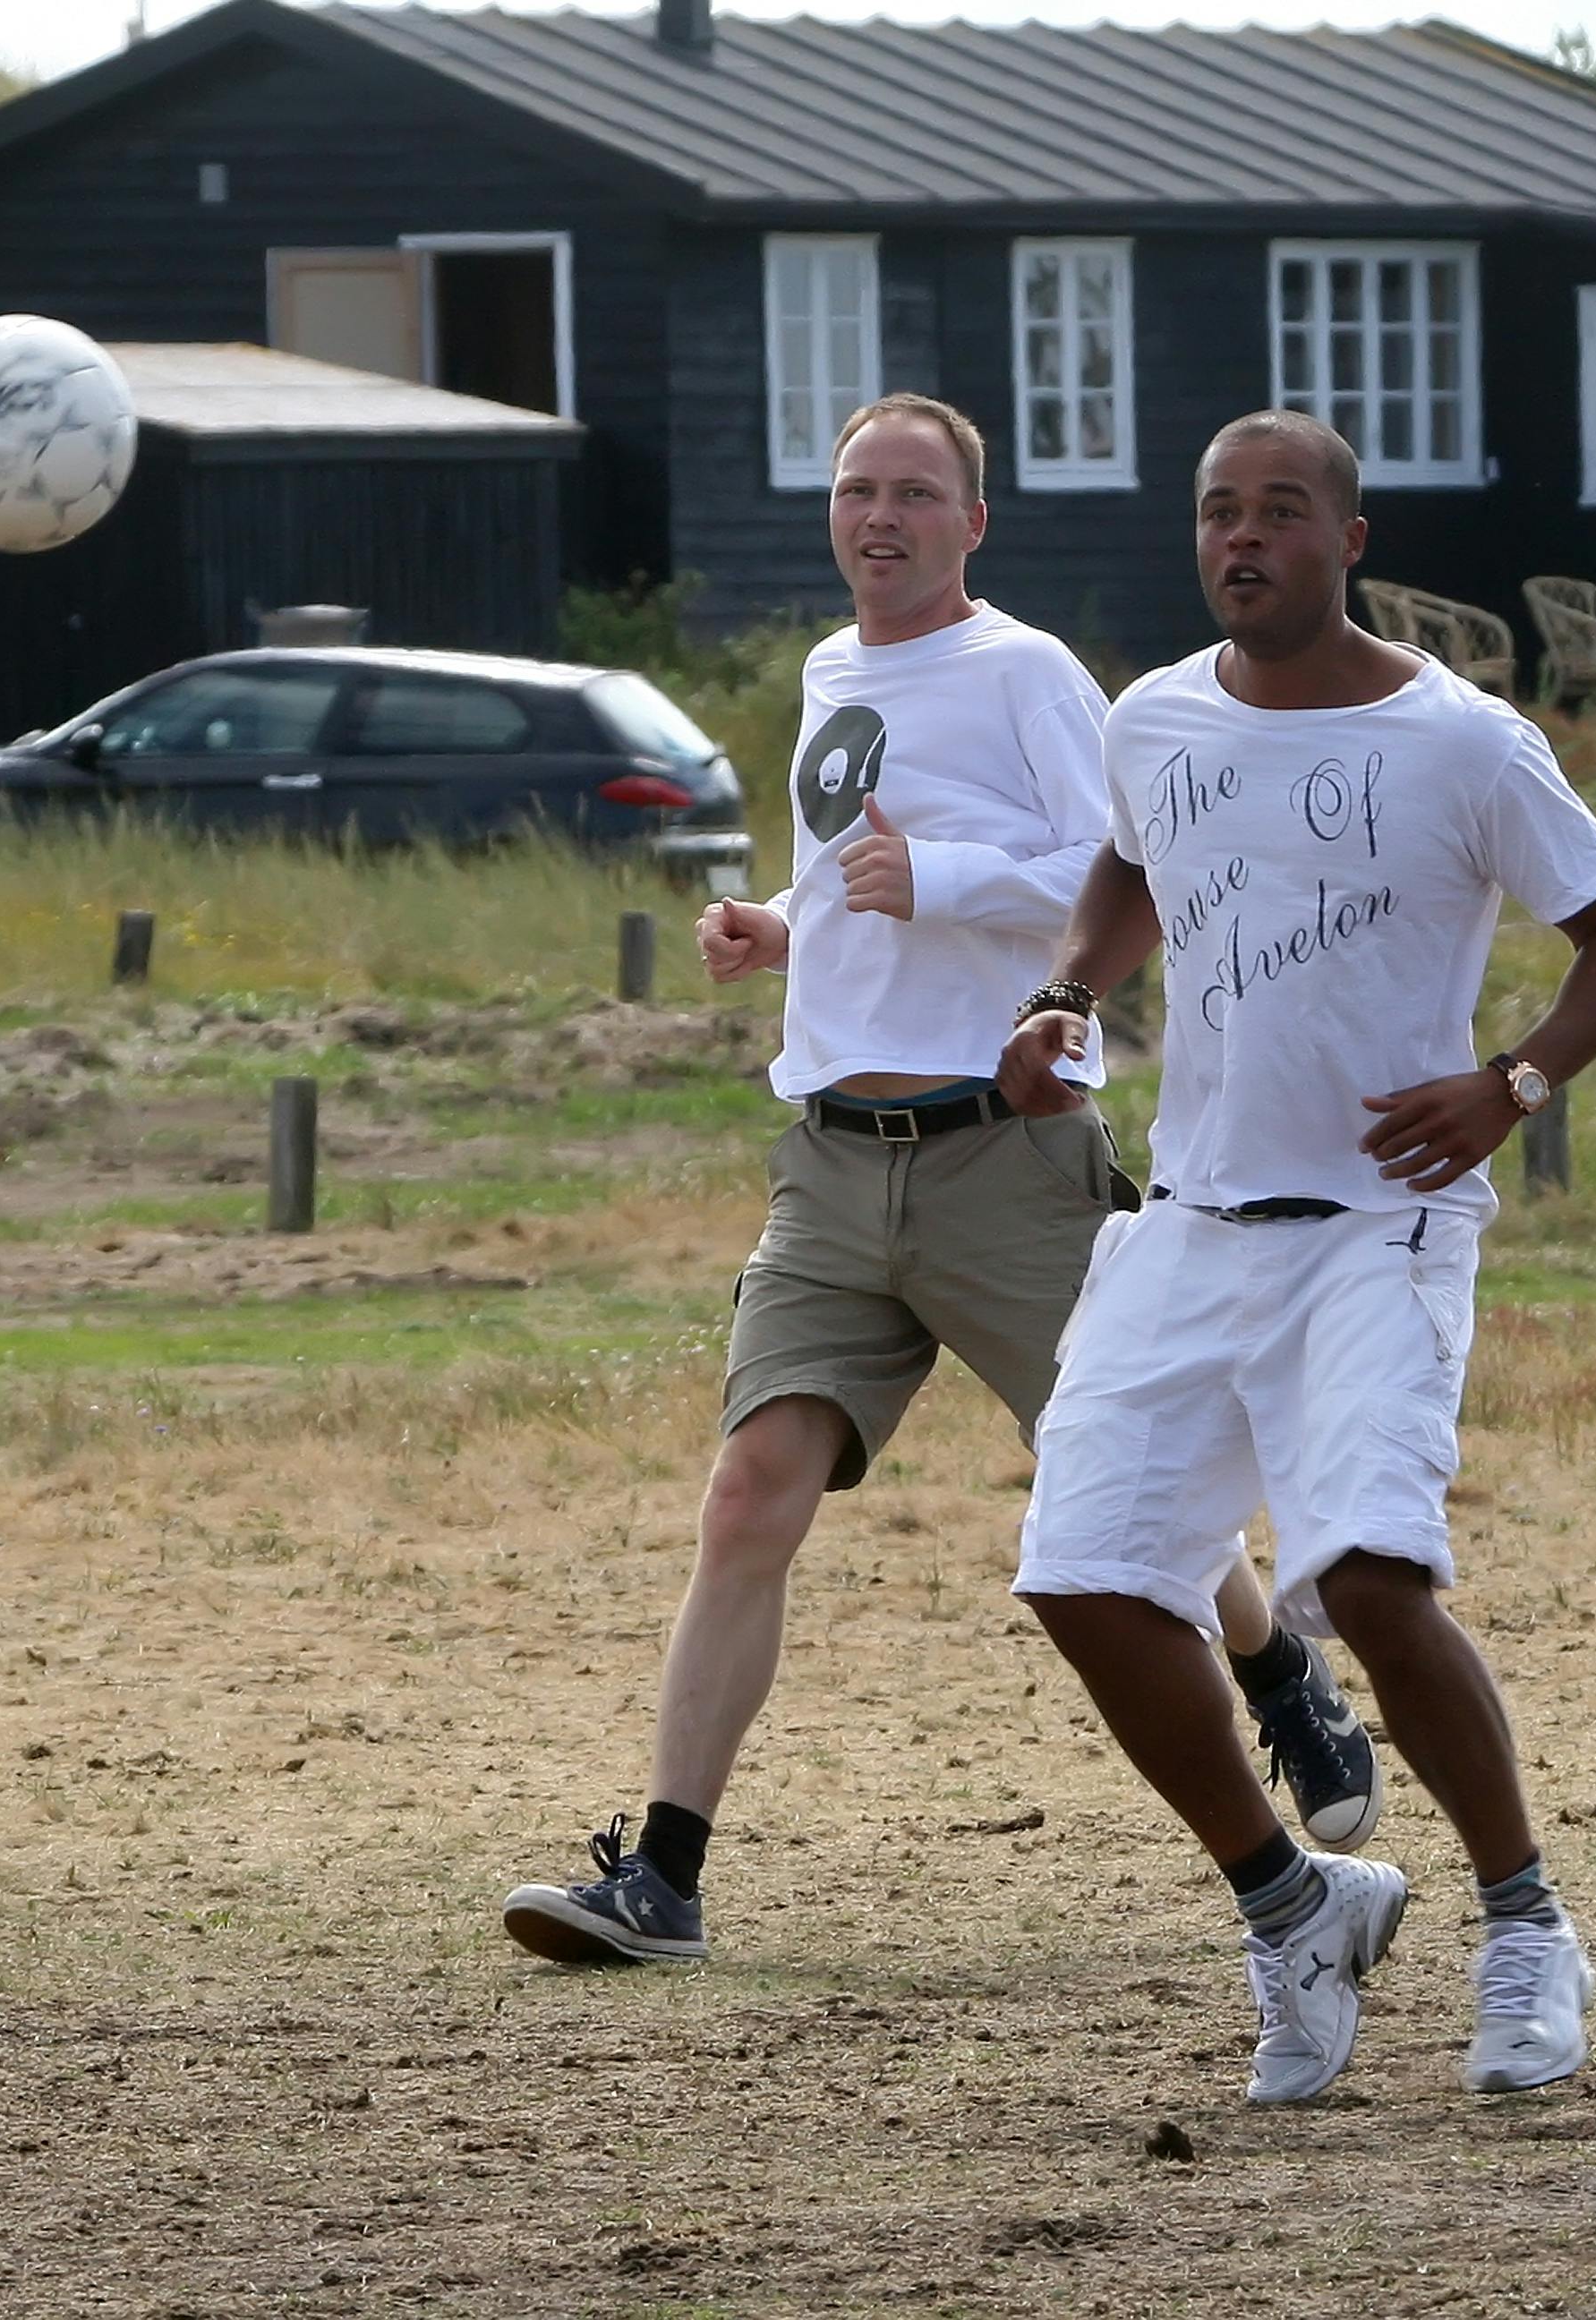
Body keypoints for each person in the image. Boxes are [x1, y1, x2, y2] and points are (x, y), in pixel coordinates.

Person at [502, 394, 1379, 1967]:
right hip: (833, 1167)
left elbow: (1128, 872)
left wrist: (947, 881)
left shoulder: (1026, 672)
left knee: (1128, 1498)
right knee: (746, 1496)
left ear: (973, 522)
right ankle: (665, 1878)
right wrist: (783, 922)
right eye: (858, 491)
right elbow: (851, 868)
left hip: (1006, 1159)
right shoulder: (829, 673)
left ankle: (1278, 1673)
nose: (881, 517)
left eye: (915, 493)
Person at [996, 409, 1596, 2103]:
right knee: (1082, 1575)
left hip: (1380, 1227)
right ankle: (1295, 1903)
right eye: (1220, 510)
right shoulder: (1154, 716)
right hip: (1190, 1223)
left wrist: (1514, 1085)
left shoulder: (1465, 743)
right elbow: (1130, 863)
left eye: (1282, 511)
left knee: (1365, 1582)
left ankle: (1527, 1925)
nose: (1245, 537)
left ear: (1350, 540)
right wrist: (1068, 991)